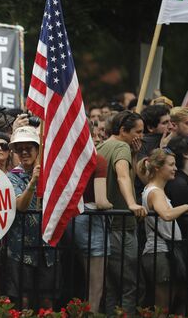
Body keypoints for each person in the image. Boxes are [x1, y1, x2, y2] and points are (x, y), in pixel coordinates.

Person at [96, 110, 147, 314]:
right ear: (123, 130)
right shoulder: (121, 147)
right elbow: (123, 176)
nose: (141, 136)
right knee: (130, 286)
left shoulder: (102, 146)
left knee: (111, 288)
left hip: (104, 227)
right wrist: (132, 204)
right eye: (138, 131)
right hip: (121, 227)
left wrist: (134, 155)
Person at [5, 126, 58, 309]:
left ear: (38, 149)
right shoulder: (11, 177)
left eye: (29, 148)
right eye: (20, 149)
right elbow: (20, 205)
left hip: (47, 247)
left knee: (47, 298)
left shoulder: (51, 174)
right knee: (22, 298)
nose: (24, 152)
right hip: (20, 247)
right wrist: (33, 182)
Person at [138, 149, 188, 313]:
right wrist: (185, 207)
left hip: (165, 252)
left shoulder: (156, 190)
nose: (175, 168)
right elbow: (166, 214)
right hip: (160, 253)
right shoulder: (155, 192)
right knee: (162, 307)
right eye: (171, 165)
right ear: (157, 168)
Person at [72, 122, 112, 313]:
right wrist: (119, 205)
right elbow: (102, 201)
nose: (98, 139)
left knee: (79, 280)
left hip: (71, 221)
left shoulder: (68, 158)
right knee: (95, 288)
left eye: (100, 134)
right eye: (95, 135)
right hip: (91, 221)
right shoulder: (98, 160)